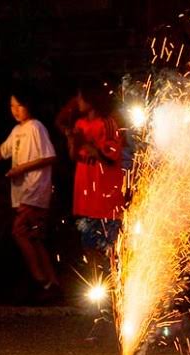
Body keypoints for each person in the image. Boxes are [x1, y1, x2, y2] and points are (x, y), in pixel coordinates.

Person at [0, 87, 60, 300]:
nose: (15, 110)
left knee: (20, 232)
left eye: (19, 105)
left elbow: (49, 157)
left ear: (28, 105)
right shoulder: (17, 131)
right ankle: (52, 283)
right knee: (35, 237)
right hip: (22, 192)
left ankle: (40, 280)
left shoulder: (36, 127)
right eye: (11, 106)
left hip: (34, 190)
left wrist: (22, 168)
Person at [67, 84, 126, 270]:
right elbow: (73, 156)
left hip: (105, 203)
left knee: (108, 251)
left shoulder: (107, 123)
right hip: (85, 202)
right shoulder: (80, 124)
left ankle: (113, 289)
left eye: (81, 97)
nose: (78, 102)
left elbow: (110, 156)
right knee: (89, 249)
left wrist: (86, 142)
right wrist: (73, 142)